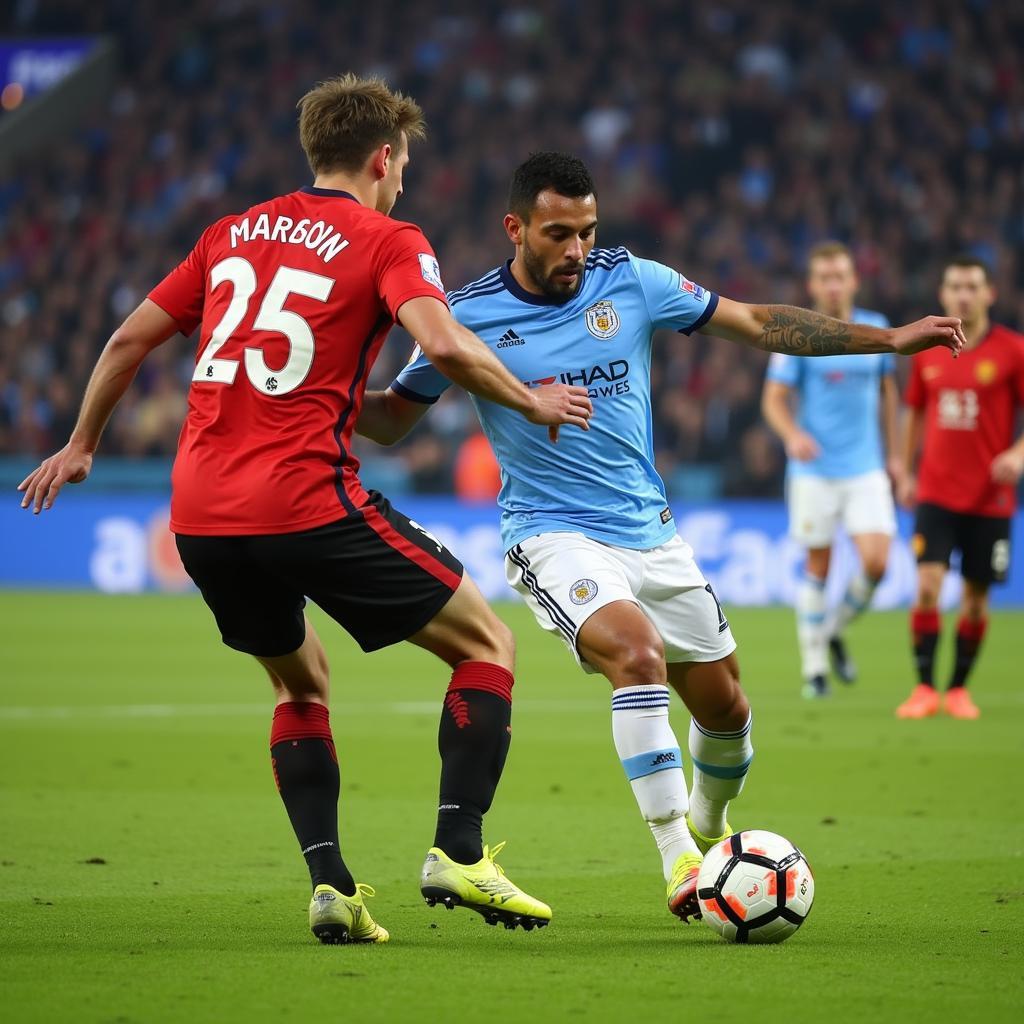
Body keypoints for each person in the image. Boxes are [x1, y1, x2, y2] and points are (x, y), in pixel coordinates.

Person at [17, 78, 595, 944]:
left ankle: (331, 885)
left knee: (299, 682)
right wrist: (531, 401)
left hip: (202, 514)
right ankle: (459, 852)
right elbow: (439, 342)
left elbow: (130, 337)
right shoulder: (388, 236)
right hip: (303, 498)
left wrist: (82, 441)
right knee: (485, 643)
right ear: (381, 159)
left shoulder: (230, 232)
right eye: (401, 163)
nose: (401, 178)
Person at [355, 152, 964, 921]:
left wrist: (891, 340)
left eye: (586, 231)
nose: (576, 249)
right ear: (515, 228)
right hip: (553, 535)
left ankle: (710, 828)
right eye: (556, 234)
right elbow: (393, 418)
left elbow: (754, 322)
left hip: (654, 536)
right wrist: (304, 391)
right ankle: (680, 856)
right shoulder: (467, 315)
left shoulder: (631, 280)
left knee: (729, 712)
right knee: (635, 656)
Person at [761, 241, 900, 699]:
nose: (834, 285)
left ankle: (833, 630)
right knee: (818, 565)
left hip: (865, 467)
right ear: (812, 285)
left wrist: (897, 456)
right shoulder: (799, 333)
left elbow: (888, 397)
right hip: (815, 471)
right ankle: (815, 669)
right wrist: (791, 435)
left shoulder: (876, 329)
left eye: (841, 276)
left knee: (877, 563)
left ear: (854, 280)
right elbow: (774, 400)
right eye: (825, 278)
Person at [896, 256, 1024, 720]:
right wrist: (905, 470)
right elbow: (913, 412)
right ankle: (925, 687)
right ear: (943, 295)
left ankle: (958, 690)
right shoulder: (927, 350)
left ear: (990, 293)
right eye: (955, 287)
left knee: (975, 599)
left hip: (991, 498)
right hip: (935, 491)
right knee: (927, 586)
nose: (963, 295)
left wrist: (1016, 454)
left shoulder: (1013, 350)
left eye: (972, 286)